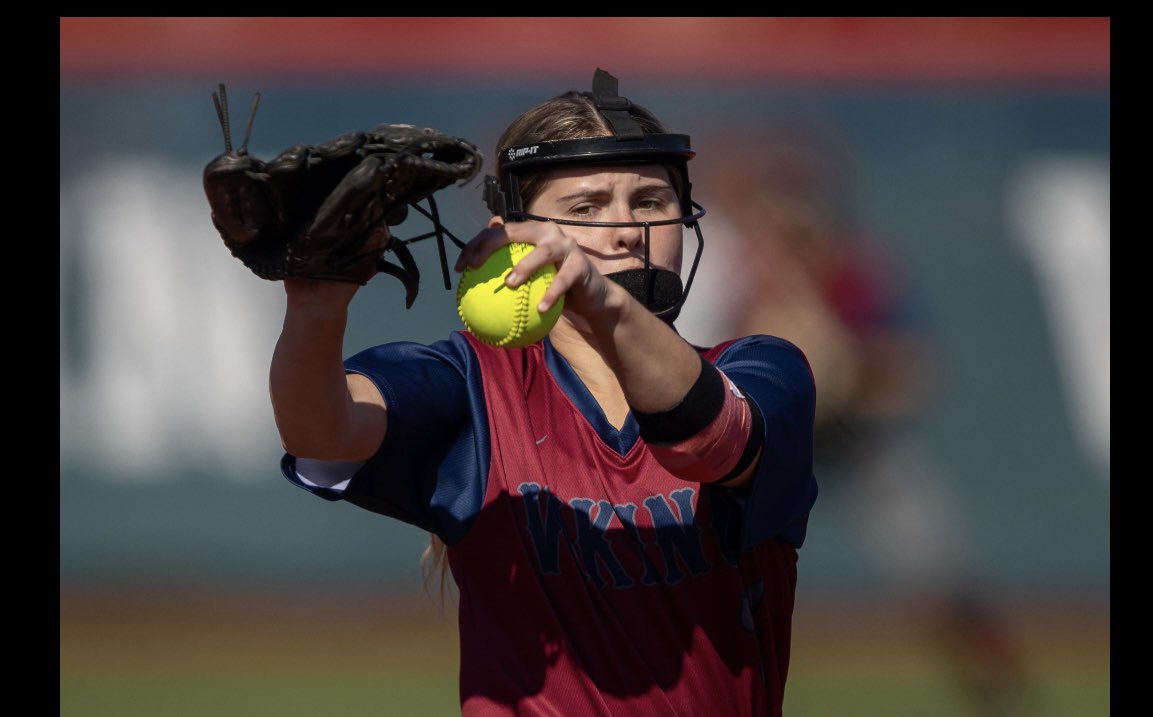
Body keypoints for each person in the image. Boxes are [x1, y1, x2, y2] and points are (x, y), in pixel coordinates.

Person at [269, 69, 818, 716]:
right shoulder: (473, 385)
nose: (623, 229)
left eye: (649, 201)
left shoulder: (762, 371)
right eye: (585, 208)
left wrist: (601, 299)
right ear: (509, 235)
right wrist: (312, 305)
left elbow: (707, 441)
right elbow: (321, 432)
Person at [680, 123, 1034, 717]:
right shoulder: (733, 273)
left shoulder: (854, 270)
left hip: (856, 438)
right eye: (777, 205)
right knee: (697, 562)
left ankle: (999, 693)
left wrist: (851, 373)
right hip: (767, 441)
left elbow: (913, 373)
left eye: (800, 205)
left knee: (932, 554)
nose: (789, 222)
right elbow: (697, 374)